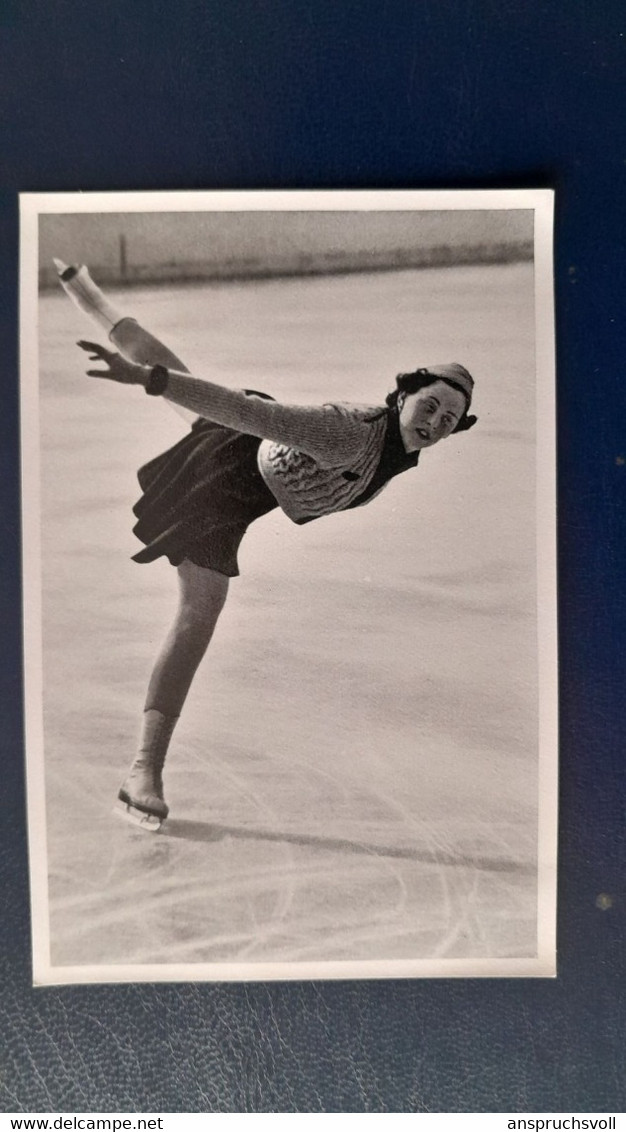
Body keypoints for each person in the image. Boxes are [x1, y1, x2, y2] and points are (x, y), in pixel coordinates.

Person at [60, 262, 478, 831]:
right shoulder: (349, 431)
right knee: (196, 619)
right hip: (221, 481)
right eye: (428, 405)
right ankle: (143, 773)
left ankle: (81, 288)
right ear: (401, 394)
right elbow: (251, 414)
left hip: (247, 457)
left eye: (449, 419)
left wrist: (154, 373)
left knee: (169, 365)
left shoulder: (399, 449)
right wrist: (146, 381)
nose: (435, 421)